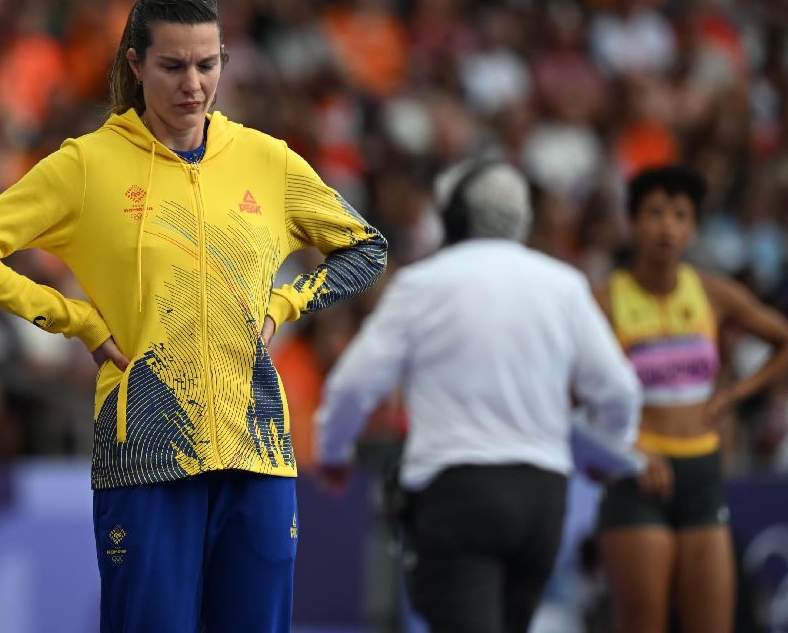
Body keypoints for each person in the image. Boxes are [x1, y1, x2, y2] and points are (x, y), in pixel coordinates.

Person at [0, 0, 387, 632]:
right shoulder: (86, 166)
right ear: (136, 65)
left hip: (257, 455)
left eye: (207, 65)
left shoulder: (267, 161)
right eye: (172, 66)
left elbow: (365, 250)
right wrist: (75, 319)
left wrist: (283, 306)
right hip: (143, 454)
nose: (192, 84)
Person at [314, 161, 642, 633]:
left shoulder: (422, 284)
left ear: (454, 219)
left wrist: (333, 452)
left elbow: (352, 385)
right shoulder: (563, 285)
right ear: (522, 219)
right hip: (542, 498)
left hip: (456, 493)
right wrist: (610, 455)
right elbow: (619, 390)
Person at [595, 165, 788, 633]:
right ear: (633, 222)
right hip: (638, 479)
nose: (667, 226)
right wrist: (627, 446)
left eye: (680, 215)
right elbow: (565, 394)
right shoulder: (603, 301)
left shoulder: (711, 293)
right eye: (655, 213)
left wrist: (736, 394)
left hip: (703, 474)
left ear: (694, 227)